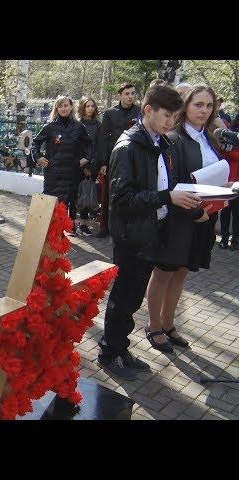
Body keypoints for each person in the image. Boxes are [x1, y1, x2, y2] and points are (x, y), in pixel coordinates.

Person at [97, 84, 201, 380]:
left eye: (175, 116)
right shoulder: (128, 147)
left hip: (150, 232)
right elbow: (122, 200)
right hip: (132, 236)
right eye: (167, 115)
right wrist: (167, 197)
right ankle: (108, 352)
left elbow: (161, 184)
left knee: (133, 298)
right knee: (123, 297)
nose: (171, 122)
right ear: (148, 111)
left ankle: (120, 347)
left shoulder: (160, 143)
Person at [145, 85, 224, 353]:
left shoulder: (210, 138)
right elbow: (174, 182)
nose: (204, 111)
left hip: (204, 217)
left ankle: (168, 324)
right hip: (178, 218)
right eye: (198, 104)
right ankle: (154, 325)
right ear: (186, 106)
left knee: (181, 274)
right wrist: (196, 211)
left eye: (209, 106)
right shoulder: (174, 139)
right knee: (164, 273)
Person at [31, 95, 91, 234]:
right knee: (51, 205)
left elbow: (89, 144)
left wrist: (87, 158)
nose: (64, 108)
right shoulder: (50, 127)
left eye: (66, 105)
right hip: (53, 173)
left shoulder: (79, 127)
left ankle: (62, 236)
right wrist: (38, 157)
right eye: (60, 106)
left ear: (71, 107)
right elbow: (35, 142)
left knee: (66, 205)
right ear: (56, 108)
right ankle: (47, 236)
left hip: (71, 173)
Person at [96, 82, 142, 238]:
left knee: (131, 191)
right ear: (120, 95)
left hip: (134, 158)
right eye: (127, 94)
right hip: (113, 158)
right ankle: (105, 226)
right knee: (109, 193)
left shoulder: (140, 112)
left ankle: (127, 227)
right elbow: (102, 139)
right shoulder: (110, 113)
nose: (130, 97)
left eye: (133, 93)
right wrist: (103, 162)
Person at [76, 96, 102, 236]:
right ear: (82, 107)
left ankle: (84, 224)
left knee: (87, 194)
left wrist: (93, 165)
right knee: (77, 194)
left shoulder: (98, 125)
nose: (91, 108)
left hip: (92, 164)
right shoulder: (78, 124)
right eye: (88, 106)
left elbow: (98, 145)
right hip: (79, 164)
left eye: (93, 106)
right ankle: (75, 224)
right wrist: (83, 163)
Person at [219, 116, 239, 250]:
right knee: (226, 212)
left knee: (236, 215)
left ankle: (235, 241)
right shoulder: (229, 136)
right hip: (227, 182)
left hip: (236, 183)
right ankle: (224, 240)